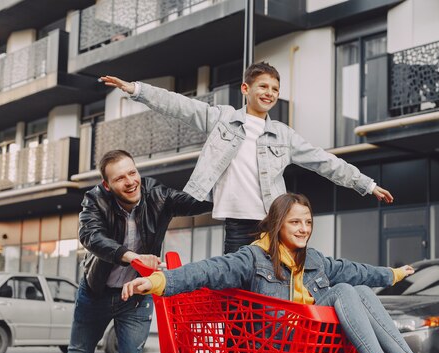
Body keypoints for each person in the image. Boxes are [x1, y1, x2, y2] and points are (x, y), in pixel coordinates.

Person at [121, 193, 439, 353]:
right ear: (278, 223)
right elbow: (209, 271)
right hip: (274, 347)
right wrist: (156, 281)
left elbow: (354, 270)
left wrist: (392, 275)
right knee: (344, 290)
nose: (303, 228)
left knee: (355, 287)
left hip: (311, 345)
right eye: (295, 222)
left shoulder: (313, 258)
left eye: (308, 222)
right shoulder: (252, 258)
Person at [100, 62, 394, 254]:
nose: (270, 93)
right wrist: (135, 90)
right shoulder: (222, 119)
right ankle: (236, 352)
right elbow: (180, 105)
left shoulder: (283, 134)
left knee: (273, 292)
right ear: (246, 89)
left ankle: (268, 350)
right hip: (237, 225)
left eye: (275, 89)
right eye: (263, 86)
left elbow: (324, 161)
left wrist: (366, 184)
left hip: (272, 222)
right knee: (236, 294)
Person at [55, 150, 212, 353]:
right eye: (120, 178)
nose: (130, 181)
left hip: (137, 298)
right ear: (107, 185)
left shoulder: (157, 195)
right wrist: (132, 257)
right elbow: (91, 236)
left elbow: (196, 203)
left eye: (132, 172)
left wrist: (228, 181)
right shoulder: (94, 200)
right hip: (96, 293)